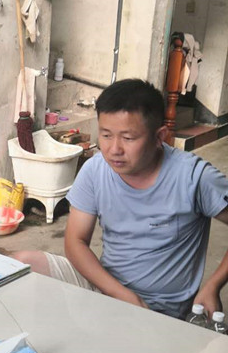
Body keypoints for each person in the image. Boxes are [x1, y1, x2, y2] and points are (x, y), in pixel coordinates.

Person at [13, 79, 228, 320]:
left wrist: (213, 285)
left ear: (159, 136)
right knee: (20, 264)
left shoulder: (194, 177)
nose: (114, 149)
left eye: (128, 138)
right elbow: (75, 242)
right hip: (105, 286)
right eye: (106, 135)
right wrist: (121, 294)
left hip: (159, 310)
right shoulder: (95, 170)